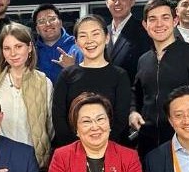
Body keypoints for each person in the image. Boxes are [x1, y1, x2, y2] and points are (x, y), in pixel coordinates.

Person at [130, 0, 189, 156]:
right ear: (145, 25)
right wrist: (133, 111)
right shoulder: (144, 60)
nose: (159, 24)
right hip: (148, 146)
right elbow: (136, 94)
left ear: (175, 21)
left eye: (165, 17)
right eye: (152, 19)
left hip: (186, 147)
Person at [52, 15, 131, 147]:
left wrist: (98, 148)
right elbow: (58, 118)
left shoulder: (119, 75)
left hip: (110, 148)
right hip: (73, 150)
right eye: (83, 36)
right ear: (76, 42)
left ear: (107, 38)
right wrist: (78, 148)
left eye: (95, 34)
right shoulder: (67, 75)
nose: (89, 40)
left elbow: (120, 120)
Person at [0, 23, 53, 169]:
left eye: (18, 46)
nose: (13, 53)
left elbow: (50, 127)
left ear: (29, 47)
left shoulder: (44, 83)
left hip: (35, 162)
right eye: (7, 48)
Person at [104, 0, 152, 83]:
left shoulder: (144, 30)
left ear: (132, 1)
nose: (117, 3)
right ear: (107, 2)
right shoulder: (102, 32)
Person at [32, 3, 82, 84]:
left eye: (52, 19)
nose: (48, 24)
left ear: (60, 23)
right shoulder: (32, 52)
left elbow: (90, 79)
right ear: (37, 29)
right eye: (41, 21)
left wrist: (72, 68)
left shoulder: (78, 46)